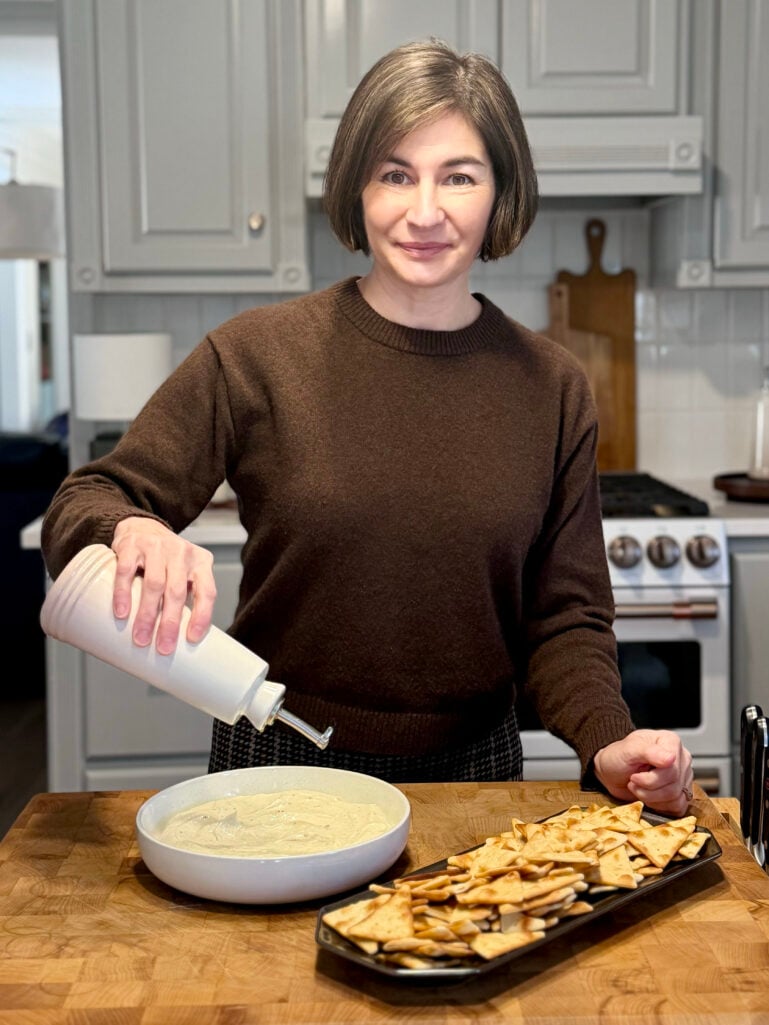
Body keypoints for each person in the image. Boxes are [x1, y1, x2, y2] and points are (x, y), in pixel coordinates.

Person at [41, 39, 694, 815]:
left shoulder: (552, 387)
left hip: (476, 776)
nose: (423, 211)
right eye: (394, 174)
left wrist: (607, 738)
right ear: (356, 188)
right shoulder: (254, 355)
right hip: (275, 760)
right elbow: (85, 501)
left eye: (457, 175)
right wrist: (126, 530)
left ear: (500, 195)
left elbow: (566, 618)